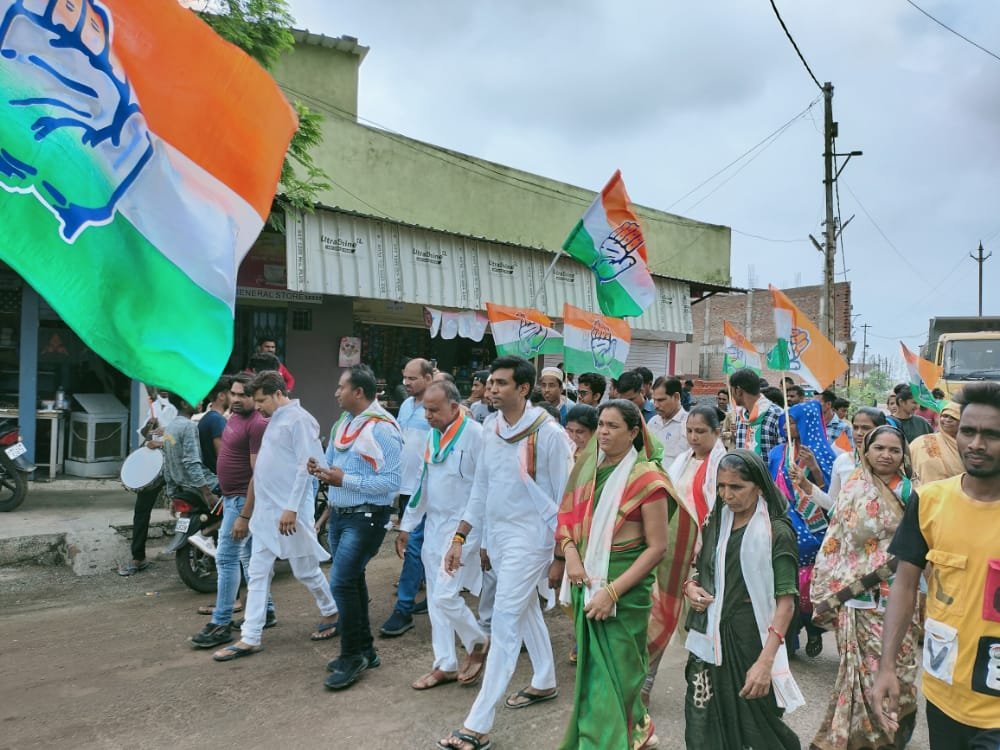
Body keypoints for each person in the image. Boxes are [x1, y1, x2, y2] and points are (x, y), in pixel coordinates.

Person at [438, 356, 574, 750]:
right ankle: (545, 679)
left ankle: (477, 723)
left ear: (524, 389)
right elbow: (480, 489)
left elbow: (565, 498)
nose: (492, 388)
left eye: (501, 383)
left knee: (505, 621)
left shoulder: (548, 434)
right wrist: (462, 537)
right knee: (525, 609)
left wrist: (561, 555)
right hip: (498, 538)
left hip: (533, 541)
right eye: (491, 383)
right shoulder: (489, 429)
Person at [873, 382, 1000, 750]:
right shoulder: (929, 501)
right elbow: (905, 585)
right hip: (945, 694)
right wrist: (887, 667)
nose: (976, 444)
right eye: (969, 431)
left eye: (992, 435)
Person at [554, 400, 670, 749]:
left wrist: (613, 593)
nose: (603, 432)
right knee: (594, 676)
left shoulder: (648, 480)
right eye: (601, 424)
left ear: (634, 432)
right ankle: (635, 730)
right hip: (585, 580)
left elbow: (657, 548)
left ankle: (604, 741)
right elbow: (566, 520)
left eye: (613, 426)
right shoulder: (587, 471)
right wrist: (571, 556)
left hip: (625, 591)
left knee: (619, 674)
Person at [212, 371, 338, 663]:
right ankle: (250, 636)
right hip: (267, 513)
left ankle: (332, 610)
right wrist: (251, 513)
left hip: (288, 513)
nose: (257, 406)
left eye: (261, 400)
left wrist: (292, 508)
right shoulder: (273, 421)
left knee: (305, 570)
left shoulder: (300, 420)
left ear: (278, 393)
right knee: (257, 572)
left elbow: (308, 467)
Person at [683, 450, 804, 749]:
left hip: (750, 642)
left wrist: (765, 662)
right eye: (721, 486)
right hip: (709, 639)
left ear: (759, 486)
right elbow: (703, 571)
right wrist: (690, 587)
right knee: (703, 727)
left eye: (736, 487)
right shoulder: (717, 521)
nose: (727, 495)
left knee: (758, 730)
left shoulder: (776, 532)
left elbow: (786, 603)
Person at [809, 425, 919, 750]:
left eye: (894, 450)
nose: (886, 455)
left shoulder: (912, 493)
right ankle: (857, 738)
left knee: (900, 669)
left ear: (903, 455)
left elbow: (919, 545)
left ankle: (891, 733)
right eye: (879, 448)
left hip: (899, 595)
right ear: (866, 452)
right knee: (856, 675)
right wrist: (828, 590)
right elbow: (835, 539)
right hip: (854, 599)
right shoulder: (854, 486)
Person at [309, 365, 402, 689]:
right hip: (340, 514)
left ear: (358, 392)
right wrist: (319, 469)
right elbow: (333, 464)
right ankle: (365, 649)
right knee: (351, 581)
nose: (336, 392)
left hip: (367, 517)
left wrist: (343, 478)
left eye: (341, 387)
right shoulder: (344, 424)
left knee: (341, 583)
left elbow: (392, 481)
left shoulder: (382, 429)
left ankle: (352, 656)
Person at [398, 381, 489, 690]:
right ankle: (445, 663)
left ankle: (478, 642)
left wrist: (481, 536)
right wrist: (407, 525)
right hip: (435, 528)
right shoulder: (433, 437)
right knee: (436, 602)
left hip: (465, 529)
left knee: (446, 595)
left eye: (434, 410)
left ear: (454, 406)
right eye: (425, 409)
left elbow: (485, 487)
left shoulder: (477, 436)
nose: (428, 415)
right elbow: (423, 483)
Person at [641, 405, 725, 704]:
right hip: (674, 552)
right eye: (689, 431)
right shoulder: (680, 462)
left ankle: (706, 687)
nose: (693, 437)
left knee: (700, 620)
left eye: (701, 431)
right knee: (662, 613)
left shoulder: (724, 466)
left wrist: (707, 547)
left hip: (707, 554)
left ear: (718, 432)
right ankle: (646, 684)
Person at [190, 373, 275, 648]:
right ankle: (266, 611)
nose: (237, 399)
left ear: (256, 396)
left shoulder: (257, 424)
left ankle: (221, 622)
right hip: (230, 498)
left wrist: (245, 515)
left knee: (226, 559)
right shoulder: (234, 417)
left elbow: (258, 474)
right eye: (234, 393)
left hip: (242, 500)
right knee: (249, 558)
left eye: (244, 395)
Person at [768, 400, 836, 658]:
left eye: (794, 421)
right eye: (786, 421)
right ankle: (790, 639)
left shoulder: (825, 454)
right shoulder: (777, 452)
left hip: (814, 527)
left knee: (808, 585)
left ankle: (813, 628)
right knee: (785, 581)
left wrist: (815, 468)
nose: (789, 426)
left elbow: (832, 494)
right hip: (786, 523)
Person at [382, 357, 434, 637]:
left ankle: (403, 608)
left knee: (413, 546)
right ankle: (426, 589)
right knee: (414, 545)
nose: (406, 382)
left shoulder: (438, 406)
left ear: (429, 377)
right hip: (404, 489)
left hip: (426, 490)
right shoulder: (404, 405)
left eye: (413, 378)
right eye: (405, 377)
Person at [119, 387, 176, 576]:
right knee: (142, 510)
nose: (161, 388)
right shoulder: (156, 405)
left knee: (189, 507)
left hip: (176, 461)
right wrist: (150, 427)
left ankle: (193, 550)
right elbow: (146, 434)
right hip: (154, 463)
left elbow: (184, 437)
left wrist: (163, 439)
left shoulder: (182, 406)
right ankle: (138, 557)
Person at [792, 407, 888, 512]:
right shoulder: (843, 461)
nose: (859, 433)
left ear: (881, 430)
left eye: (865, 428)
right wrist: (805, 484)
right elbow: (833, 505)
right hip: (849, 527)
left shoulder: (888, 462)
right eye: (855, 428)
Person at [161, 392, 218, 558]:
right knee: (240, 501)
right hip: (202, 484)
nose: (201, 401)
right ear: (185, 404)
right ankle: (205, 534)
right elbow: (191, 462)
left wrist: (173, 494)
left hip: (184, 487)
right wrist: (207, 493)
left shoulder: (170, 428)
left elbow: (168, 464)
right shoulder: (189, 426)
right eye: (195, 398)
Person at [730, 368, 784, 458]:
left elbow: (784, 454)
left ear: (738, 391)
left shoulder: (777, 415)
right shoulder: (740, 416)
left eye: (732, 390)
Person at [909, 401, 963, 483]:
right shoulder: (921, 442)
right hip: (923, 492)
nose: (947, 420)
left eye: (953, 417)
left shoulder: (966, 445)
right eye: (945, 416)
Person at [648, 376, 689, 465]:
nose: (656, 405)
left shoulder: (689, 425)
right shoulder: (652, 422)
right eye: (654, 400)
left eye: (660, 400)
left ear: (676, 397)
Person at [198, 377, 229, 475]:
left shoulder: (207, 418)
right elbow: (224, 458)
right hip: (218, 479)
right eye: (232, 394)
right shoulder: (217, 420)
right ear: (222, 396)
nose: (236, 398)